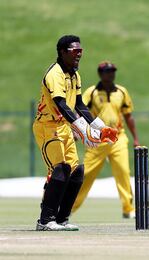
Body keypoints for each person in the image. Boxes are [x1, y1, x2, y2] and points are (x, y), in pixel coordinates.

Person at [33, 35, 118, 231]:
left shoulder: (74, 74)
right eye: (74, 51)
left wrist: (101, 127)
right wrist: (83, 129)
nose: (79, 54)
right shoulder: (54, 74)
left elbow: (79, 105)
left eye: (81, 50)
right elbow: (61, 105)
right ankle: (45, 221)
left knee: (77, 172)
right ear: (63, 52)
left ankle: (61, 219)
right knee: (60, 169)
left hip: (63, 127)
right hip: (47, 127)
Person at [72, 61, 140, 218]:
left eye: (112, 71)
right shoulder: (92, 92)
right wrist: (77, 130)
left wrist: (135, 138)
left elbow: (128, 116)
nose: (110, 74)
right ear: (100, 74)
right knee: (86, 174)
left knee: (123, 172)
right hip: (97, 140)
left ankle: (128, 209)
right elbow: (78, 110)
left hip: (118, 137)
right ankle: (69, 208)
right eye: (107, 71)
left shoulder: (122, 92)